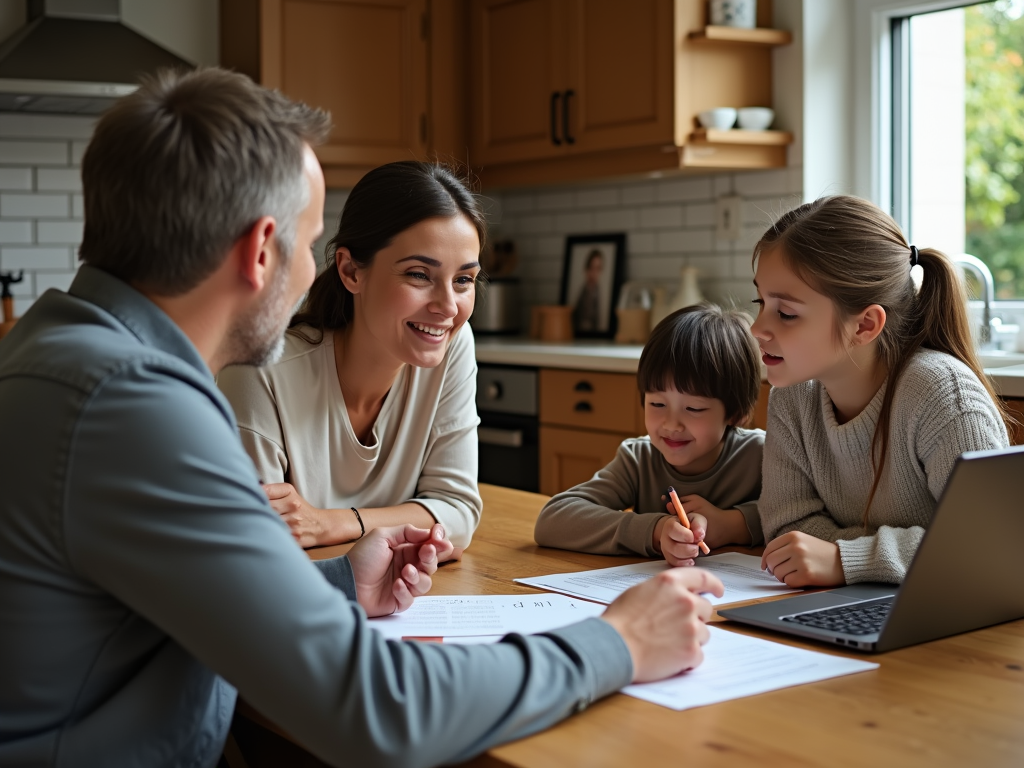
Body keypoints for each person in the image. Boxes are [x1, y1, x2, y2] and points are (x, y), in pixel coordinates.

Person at [0, 67, 725, 768]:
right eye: (311, 244)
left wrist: (339, 586)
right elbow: (376, 711)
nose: (314, 271)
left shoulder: (60, 354)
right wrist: (618, 643)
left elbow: (172, 603)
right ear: (261, 251)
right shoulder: (134, 408)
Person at [218, 161, 483, 550]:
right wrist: (410, 520)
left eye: (463, 280)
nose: (447, 306)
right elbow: (257, 542)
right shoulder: (261, 372)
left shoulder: (451, 345)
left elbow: (458, 513)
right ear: (350, 271)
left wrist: (329, 524)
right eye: (419, 275)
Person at [751, 195, 1010, 588]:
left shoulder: (944, 397)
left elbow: (991, 544)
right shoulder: (792, 397)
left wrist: (844, 559)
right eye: (760, 302)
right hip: (862, 599)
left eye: (786, 313)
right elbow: (788, 530)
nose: (758, 327)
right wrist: (858, 560)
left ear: (865, 325)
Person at [535, 304, 765, 565]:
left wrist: (729, 524)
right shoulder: (638, 459)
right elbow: (552, 520)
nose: (671, 424)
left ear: (736, 413)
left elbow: (808, 518)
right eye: (657, 404)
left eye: (693, 408)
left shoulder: (762, 455)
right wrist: (656, 531)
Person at [572, 247, 604, 333]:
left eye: (597, 268)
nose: (594, 272)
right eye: (592, 267)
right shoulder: (583, 292)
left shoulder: (597, 291)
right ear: (587, 269)